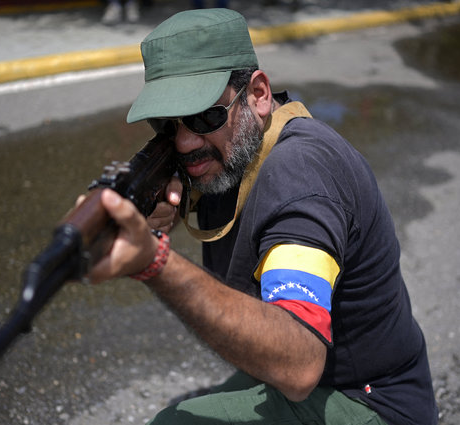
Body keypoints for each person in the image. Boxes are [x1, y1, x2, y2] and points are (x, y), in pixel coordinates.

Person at [85, 8, 438, 425]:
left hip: (372, 401)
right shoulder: (234, 149)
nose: (183, 142)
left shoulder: (301, 175)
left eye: (204, 116)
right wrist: (157, 209)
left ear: (258, 94)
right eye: (165, 123)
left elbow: (300, 364)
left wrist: (156, 261)